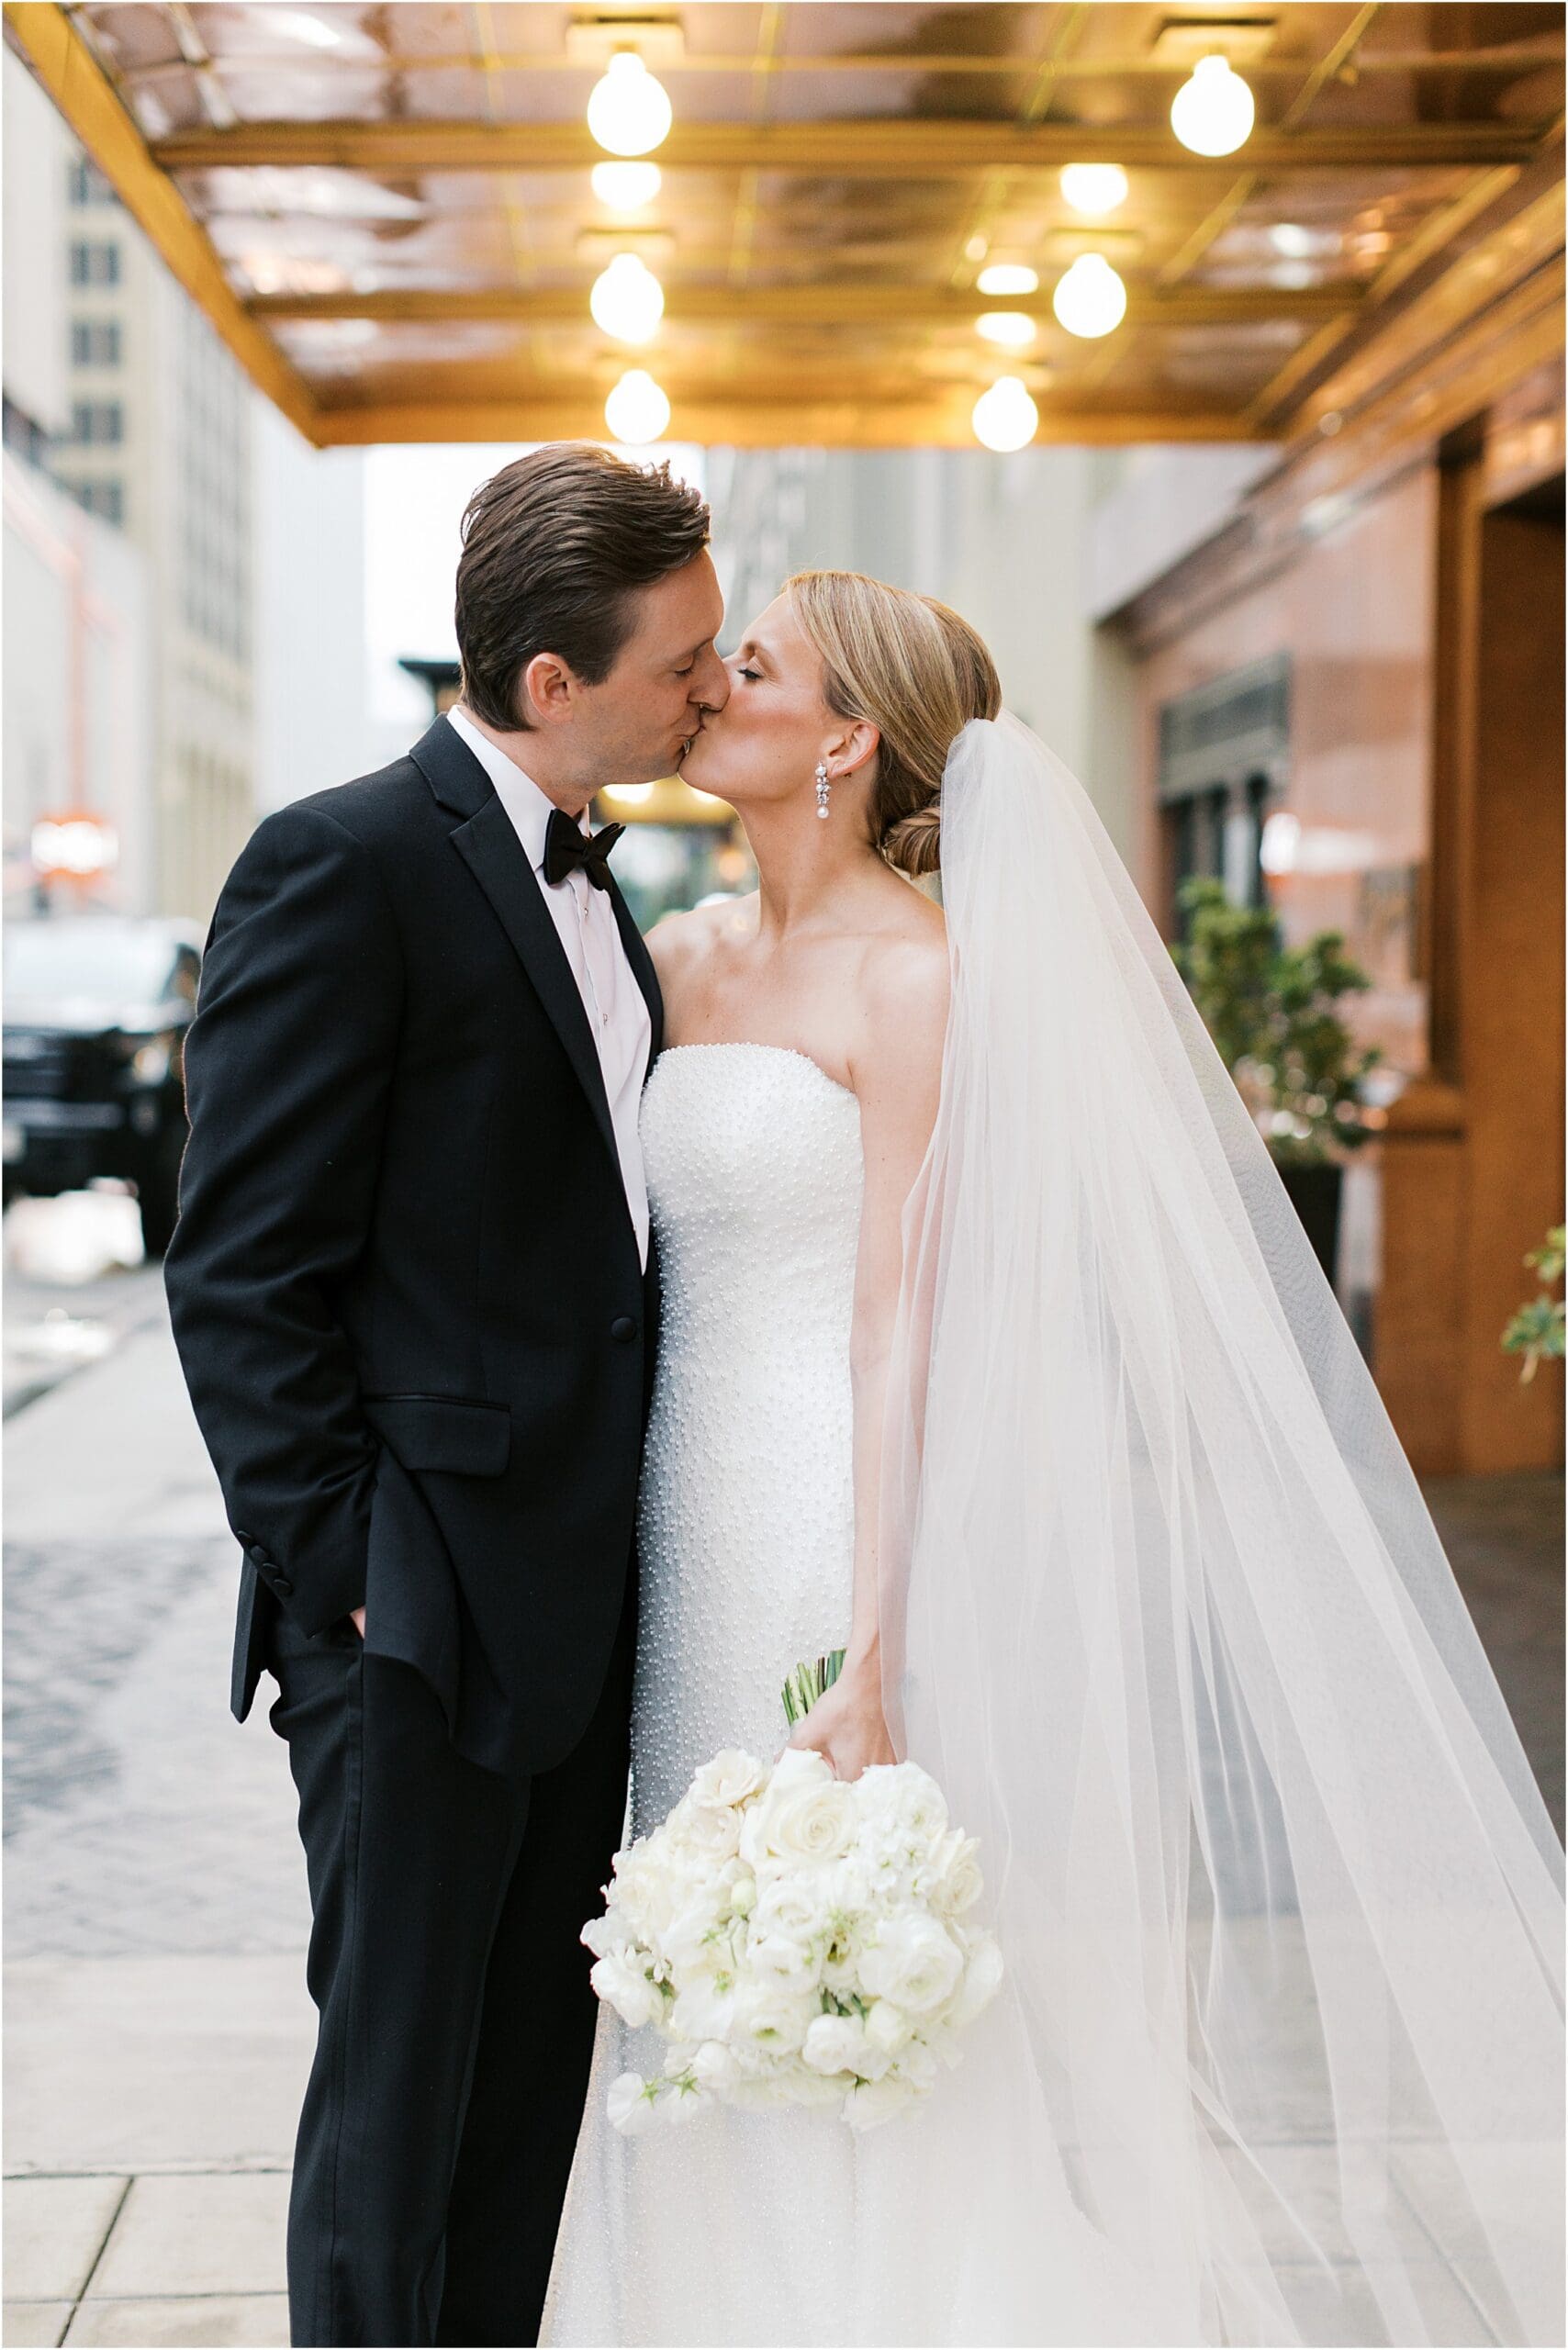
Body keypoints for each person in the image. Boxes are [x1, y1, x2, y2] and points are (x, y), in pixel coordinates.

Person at [543, 571, 1564, 2347]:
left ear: (847, 739)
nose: (709, 693)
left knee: (814, 1918)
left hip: (810, 1515)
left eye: (753, 669)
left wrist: (875, 1638)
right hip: (665, 1504)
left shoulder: (919, 979)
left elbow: (894, 1323)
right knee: (687, 1925)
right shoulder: (679, 951)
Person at [163, 442, 727, 2347]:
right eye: (682, 662)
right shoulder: (345, 858)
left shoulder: (602, 880)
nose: (708, 691)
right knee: (394, 2121)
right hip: (409, 1622)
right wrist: (353, 1574)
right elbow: (242, 1269)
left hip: (577, 1615)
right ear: (552, 683)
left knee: (517, 2120)